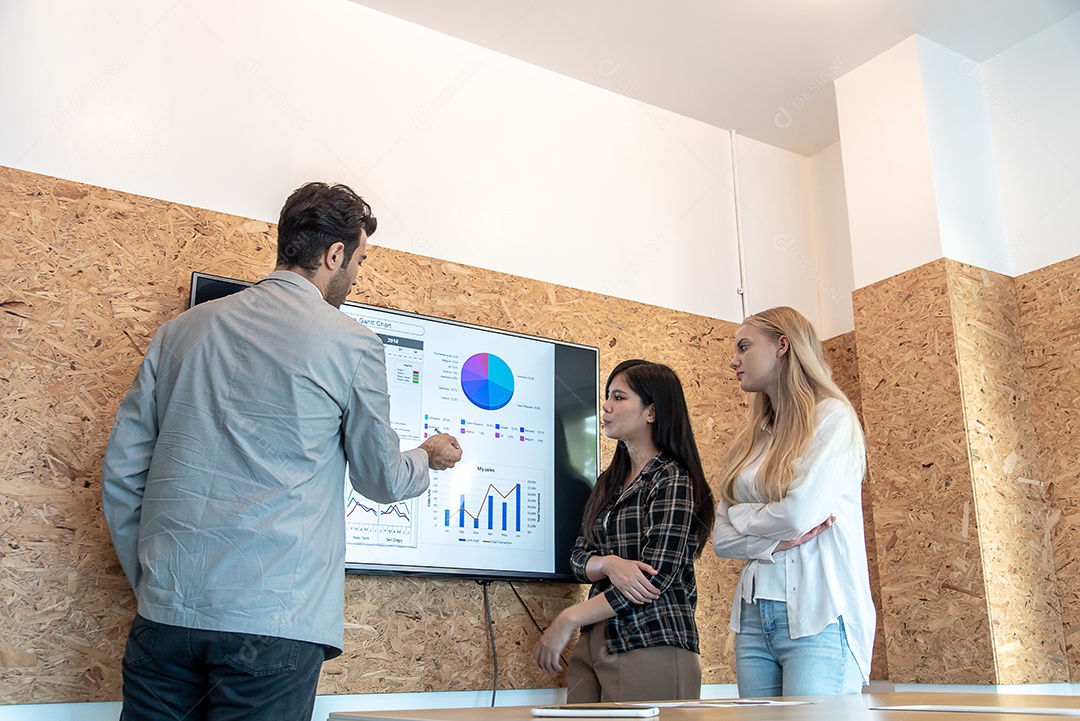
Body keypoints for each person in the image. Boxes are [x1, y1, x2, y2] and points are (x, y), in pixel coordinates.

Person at [101, 181, 463, 721]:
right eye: (358, 260)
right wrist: (425, 457)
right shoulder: (352, 343)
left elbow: (123, 473)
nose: (357, 276)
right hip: (272, 627)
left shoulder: (179, 333)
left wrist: (159, 588)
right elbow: (380, 479)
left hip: (167, 619)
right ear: (334, 254)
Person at [712, 306, 874, 697]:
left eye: (744, 346)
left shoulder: (832, 418)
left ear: (783, 345)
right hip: (752, 619)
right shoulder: (753, 438)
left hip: (819, 616)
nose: (734, 360)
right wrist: (777, 537)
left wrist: (743, 515)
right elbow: (720, 540)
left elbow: (799, 516)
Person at [534, 359, 715, 702]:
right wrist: (608, 564)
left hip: (651, 639)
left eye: (619, 397)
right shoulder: (608, 482)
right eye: (607, 396)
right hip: (596, 641)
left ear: (651, 412)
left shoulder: (673, 479)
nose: (606, 406)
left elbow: (653, 579)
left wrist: (570, 617)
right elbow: (577, 557)